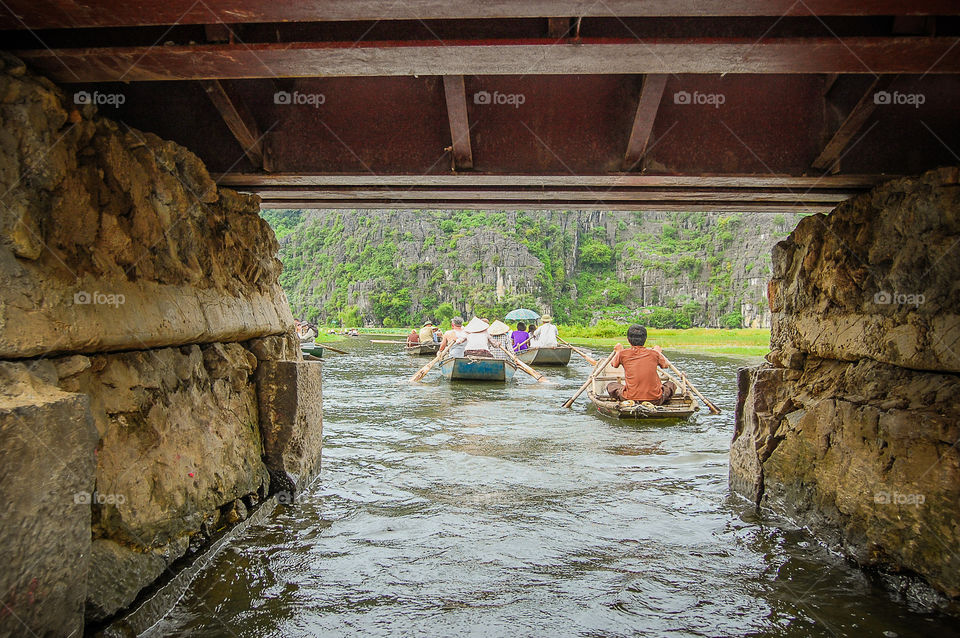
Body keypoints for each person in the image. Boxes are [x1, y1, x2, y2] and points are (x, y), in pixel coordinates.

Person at [606, 324, 676, 405]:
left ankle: (629, 402)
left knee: (611, 386)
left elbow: (614, 364)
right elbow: (665, 365)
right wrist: (658, 352)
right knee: (671, 385)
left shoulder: (622, 354)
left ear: (628, 340)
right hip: (655, 399)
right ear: (645, 339)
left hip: (629, 398)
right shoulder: (654, 354)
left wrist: (618, 351)